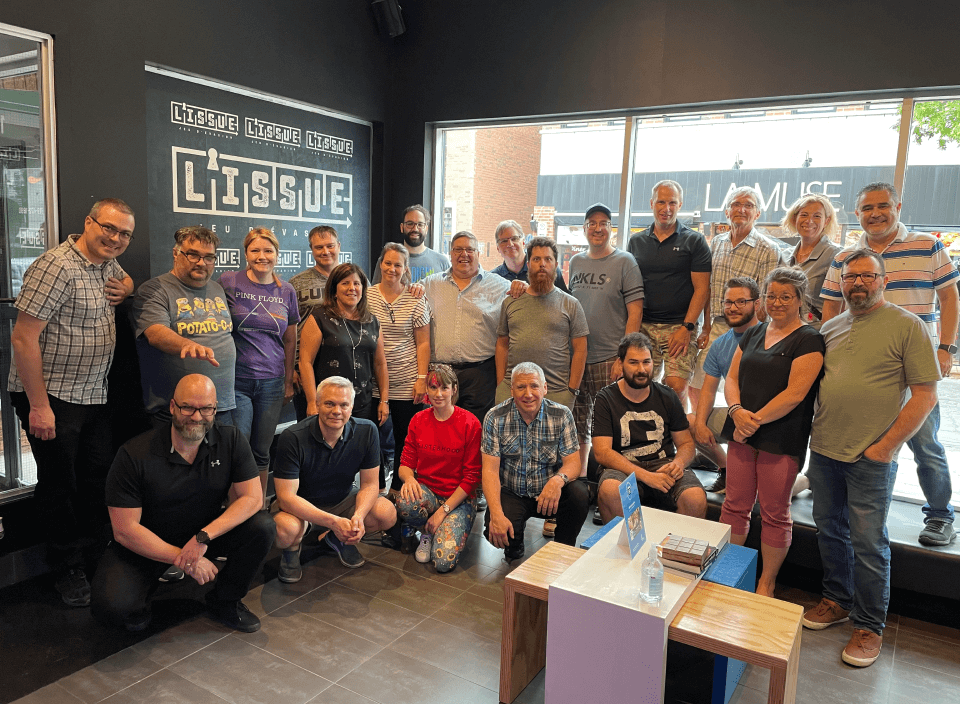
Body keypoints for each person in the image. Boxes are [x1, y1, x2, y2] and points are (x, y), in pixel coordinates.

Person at [803, 250, 939, 667]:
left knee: (869, 543)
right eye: (850, 277)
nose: (857, 283)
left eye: (867, 276)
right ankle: (837, 600)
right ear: (840, 283)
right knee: (829, 530)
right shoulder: (831, 327)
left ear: (883, 281)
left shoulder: (907, 326)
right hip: (825, 450)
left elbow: (926, 395)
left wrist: (886, 448)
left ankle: (868, 624)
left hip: (871, 458)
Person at [9, 198, 135, 606]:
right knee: (60, 484)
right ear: (88, 223)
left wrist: (129, 286)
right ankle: (65, 566)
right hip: (54, 395)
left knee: (97, 477)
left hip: (93, 392)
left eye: (124, 235)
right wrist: (39, 406)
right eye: (109, 229)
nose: (115, 238)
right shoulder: (55, 266)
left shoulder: (106, 264)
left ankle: (97, 553)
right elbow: (23, 338)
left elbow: (122, 275)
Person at [821, 182, 958, 547]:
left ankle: (941, 515)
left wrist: (946, 347)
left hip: (914, 362)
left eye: (882, 205)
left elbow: (949, 296)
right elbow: (832, 307)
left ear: (898, 206)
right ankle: (858, 511)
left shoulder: (927, 245)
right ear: (857, 214)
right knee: (859, 440)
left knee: (925, 442)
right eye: (867, 208)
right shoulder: (845, 257)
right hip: (864, 364)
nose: (875, 213)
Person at [91, 375, 275, 633]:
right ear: (172, 407)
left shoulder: (230, 440)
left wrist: (203, 537)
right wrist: (183, 558)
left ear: (215, 408)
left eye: (206, 408)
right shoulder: (134, 454)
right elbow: (125, 530)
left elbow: (253, 498)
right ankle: (144, 594)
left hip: (201, 535)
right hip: (147, 541)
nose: (197, 417)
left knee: (263, 525)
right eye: (188, 407)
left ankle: (225, 601)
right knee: (113, 609)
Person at [721, 267, 823, 597]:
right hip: (741, 430)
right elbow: (732, 378)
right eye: (771, 296)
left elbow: (796, 392)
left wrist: (755, 420)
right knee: (734, 506)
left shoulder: (809, 339)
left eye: (785, 297)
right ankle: (730, 573)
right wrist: (737, 412)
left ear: (800, 300)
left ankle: (767, 582)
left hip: (780, 437)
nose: (777, 303)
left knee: (774, 513)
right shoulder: (753, 333)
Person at [422, 230, 523, 510]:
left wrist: (521, 287)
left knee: (475, 434)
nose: (463, 254)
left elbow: (522, 297)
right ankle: (441, 487)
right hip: (441, 374)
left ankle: (474, 488)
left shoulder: (499, 285)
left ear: (479, 253)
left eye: (470, 249)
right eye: (457, 249)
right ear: (450, 253)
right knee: (441, 431)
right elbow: (410, 298)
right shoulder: (429, 284)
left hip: (480, 371)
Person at [272, 377, 397, 578]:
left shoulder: (367, 430)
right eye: (330, 403)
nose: (337, 411)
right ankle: (292, 550)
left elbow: (370, 484)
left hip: (343, 499)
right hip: (301, 506)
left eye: (344, 405)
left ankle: (339, 539)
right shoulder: (293, 437)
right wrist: (333, 521)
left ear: (352, 406)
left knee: (387, 513)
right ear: (318, 404)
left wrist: (358, 517)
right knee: (284, 530)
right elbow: (286, 497)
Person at [219, 228, 299, 507]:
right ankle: (235, 508)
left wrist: (289, 381)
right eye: (255, 251)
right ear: (246, 253)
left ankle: (257, 507)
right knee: (238, 449)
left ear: (277, 255)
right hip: (237, 380)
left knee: (262, 451)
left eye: (268, 251)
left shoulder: (286, 290)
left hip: (272, 381)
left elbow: (290, 339)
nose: (262, 256)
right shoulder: (228, 281)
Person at [594, 333, 707, 522]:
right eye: (633, 363)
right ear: (620, 363)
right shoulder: (605, 398)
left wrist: (678, 463)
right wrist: (646, 476)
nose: (641, 369)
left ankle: (674, 551)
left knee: (695, 498)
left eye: (646, 362)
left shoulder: (668, 396)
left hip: (664, 464)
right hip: (622, 467)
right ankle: (625, 550)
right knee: (612, 490)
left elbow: (687, 443)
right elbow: (602, 453)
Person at [482, 363, 588, 561]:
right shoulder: (495, 418)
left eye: (534, 386)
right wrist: (496, 514)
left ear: (545, 388)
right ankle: (515, 544)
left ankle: (562, 549)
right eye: (521, 387)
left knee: (579, 495)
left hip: (550, 493)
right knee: (498, 532)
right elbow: (489, 471)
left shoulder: (562, 415)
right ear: (511, 390)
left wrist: (557, 481)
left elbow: (574, 463)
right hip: (512, 492)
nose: (528, 394)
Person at [689, 186, 781, 413]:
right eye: (736, 204)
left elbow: (765, 298)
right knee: (696, 385)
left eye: (748, 205)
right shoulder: (716, 243)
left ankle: (737, 437)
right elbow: (709, 290)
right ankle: (704, 435)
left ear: (757, 213)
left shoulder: (768, 248)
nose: (741, 209)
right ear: (727, 211)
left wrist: (755, 336)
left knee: (743, 390)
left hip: (748, 331)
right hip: (717, 326)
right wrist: (707, 328)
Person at [568, 203, 645, 471]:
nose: (598, 228)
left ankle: (609, 488)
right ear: (585, 229)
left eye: (604, 223)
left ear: (611, 229)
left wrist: (623, 358)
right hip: (578, 358)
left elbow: (635, 313)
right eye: (592, 223)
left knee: (613, 428)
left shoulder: (625, 262)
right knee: (577, 427)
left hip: (610, 358)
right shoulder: (576, 261)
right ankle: (578, 486)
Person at [134, 226, 236, 427]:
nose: (201, 263)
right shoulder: (155, 289)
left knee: (222, 458)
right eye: (193, 255)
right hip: (177, 409)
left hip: (221, 405)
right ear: (176, 253)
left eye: (209, 257)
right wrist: (187, 345)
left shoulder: (217, 288)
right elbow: (155, 332)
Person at [627, 181, 712, 405]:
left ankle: (676, 435)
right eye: (661, 202)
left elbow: (702, 289)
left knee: (676, 386)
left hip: (680, 326)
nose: (667, 208)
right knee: (639, 384)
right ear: (651, 204)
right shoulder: (636, 241)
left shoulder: (694, 240)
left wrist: (687, 327)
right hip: (644, 325)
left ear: (680, 205)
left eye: (672, 202)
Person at [395, 364, 481, 571]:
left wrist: (443, 511)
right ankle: (426, 532)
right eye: (433, 388)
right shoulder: (418, 420)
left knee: (442, 563)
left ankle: (439, 527)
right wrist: (409, 479)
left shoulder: (470, 423)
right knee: (405, 501)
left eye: (444, 388)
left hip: (459, 499)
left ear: (454, 389)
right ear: (427, 390)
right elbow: (405, 464)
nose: (438, 394)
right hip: (429, 492)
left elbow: (472, 478)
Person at [495, 236, 588, 411]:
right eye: (536, 259)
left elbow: (581, 349)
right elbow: (502, 344)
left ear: (556, 265)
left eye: (548, 259)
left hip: (557, 393)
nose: (542, 264)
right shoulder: (511, 301)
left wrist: (572, 390)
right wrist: (502, 384)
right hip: (512, 391)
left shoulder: (571, 304)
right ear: (528, 264)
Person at [368, 242, 431, 496]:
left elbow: (424, 342)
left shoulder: (416, 298)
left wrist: (422, 378)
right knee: (372, 438)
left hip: (407, 381)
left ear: (406, 269)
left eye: (398, 265)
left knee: (407, 438)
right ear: (381, 264)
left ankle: (398, 489)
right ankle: (376, 486)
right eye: (388, 263)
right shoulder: (367, 294)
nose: (391, 269)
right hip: (372, 382)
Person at [689, 277, 761, 494]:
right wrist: (700, 424)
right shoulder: (720, 344)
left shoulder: (770, 336)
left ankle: (798, 482)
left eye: (741, 302)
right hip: (735, 415)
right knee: (688, 423)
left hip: (767, 420)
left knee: (755, 490)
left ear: (756, 304)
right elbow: (709, 390)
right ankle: (727, 469)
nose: (733, 308)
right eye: (728, 302)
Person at [299, 263, 388, 426]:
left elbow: (380, 364)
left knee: (356, 449)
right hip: (328, 406)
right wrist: (312, 401)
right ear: (334, 290)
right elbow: (305, 362)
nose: (351, 288)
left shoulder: (372, 321)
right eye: (345, 283)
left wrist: (384, 400)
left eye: (356, 283)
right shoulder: (319, 318)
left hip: (361, 404)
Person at [289, 225, 341, 419]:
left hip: (344, 364)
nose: (325, 251)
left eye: (330, 245)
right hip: (307, 367)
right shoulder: (296, 283)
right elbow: (288, 329)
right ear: (311, 249)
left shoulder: (353, 279)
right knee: (309, 424)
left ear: (339, 246)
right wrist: (292, 368)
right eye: (319, 247)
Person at [782, 193, 841, 328]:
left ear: (826, 221)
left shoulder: (835, 255)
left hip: (815, 334)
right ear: (794, 218)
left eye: (817, 216)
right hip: (784, 332)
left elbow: (840, 307)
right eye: (804, 215)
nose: (809, 221)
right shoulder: (784, 256)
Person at [372, 204, 450, 283]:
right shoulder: (387, 261)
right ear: (402, 227)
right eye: (410, 224)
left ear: (426, 229)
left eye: (420, 225)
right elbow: (376, 291)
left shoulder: (442, 262)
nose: (415, 229)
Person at [491, 219, 569, 291]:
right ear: (498, 248)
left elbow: (564, 301)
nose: (510, 244)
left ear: (523, 242)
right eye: (504, 241)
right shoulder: (493, 279)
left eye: (514, 239)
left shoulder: (547, 269)